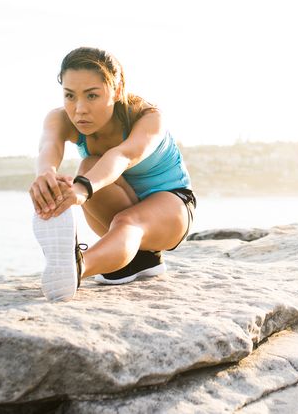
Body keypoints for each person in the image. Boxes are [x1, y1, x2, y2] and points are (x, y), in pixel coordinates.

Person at [28, 46, 196, 301]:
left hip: (171, 208)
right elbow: (49, 145)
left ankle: (77, 267)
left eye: (92, 96)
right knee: (87, 167)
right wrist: (46, 175)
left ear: (117, 90)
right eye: (70, 96)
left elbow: (122, 156)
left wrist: (81, 189)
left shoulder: (148, 118)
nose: (79, 109)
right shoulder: (60, 118)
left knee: (125, 219)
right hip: (118, 204)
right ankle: (134, 261)